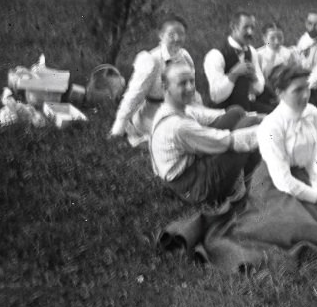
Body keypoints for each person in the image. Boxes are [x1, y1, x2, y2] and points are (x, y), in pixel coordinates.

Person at [230, 63, 317, 258]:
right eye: (297, 90)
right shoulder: (270, 128)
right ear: (280, 93)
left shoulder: (312, 112)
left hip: (301, 176)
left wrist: (313, 179)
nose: (305, 96)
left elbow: (312, 149)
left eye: (307, 88)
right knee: (304, 225)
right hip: (273, 184)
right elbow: (284, 182)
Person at [149, 63, 261, 206]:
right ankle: (250, 181)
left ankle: (244, 172)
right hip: (193, 187)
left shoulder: (174, 108)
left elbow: (216, 115)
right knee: (249, 125)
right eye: (182, 83)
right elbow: (229, 141)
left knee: (236, 112)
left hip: (193, 164)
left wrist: (256, 115)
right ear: (165, 88)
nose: (190, 88)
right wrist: (270, 127)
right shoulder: (178, 126)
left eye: (191, 81)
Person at [110, 15, 198, 146]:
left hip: (178, 110)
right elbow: (133, 96)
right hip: (152, 114)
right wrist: (118, 129)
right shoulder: (151, 60)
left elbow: (190, 90)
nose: (177, 39)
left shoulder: (185, 57)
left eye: (181, 34)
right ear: (161, 35)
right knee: (178, 137)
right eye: (171, 34)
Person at [203, 11, 274, 114]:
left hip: (246, 107)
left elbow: (260, 88)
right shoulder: (216, 54)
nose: (250, 32)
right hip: (223, 112)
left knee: (276, 114)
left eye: (252, 28)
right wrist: (234, 74)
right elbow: (216, 96)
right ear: (233, 27)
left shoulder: (251, 51)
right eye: (246, 27)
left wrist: (253, 77)